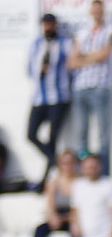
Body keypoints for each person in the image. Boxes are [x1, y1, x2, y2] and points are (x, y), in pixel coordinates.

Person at [26, 13, 73, 188]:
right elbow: (29, 69)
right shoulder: (36, 44)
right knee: (31, 134)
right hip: (39, 98)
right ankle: (55, 162)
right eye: (45, 24)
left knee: (52, 138)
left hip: (59, 97)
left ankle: (45, 179)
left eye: (51, 24)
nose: (48, 27)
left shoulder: (65, 44)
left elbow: (71, 67)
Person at [67, 0, 112, 165]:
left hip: (100, 86)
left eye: (99, 10)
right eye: (94, 9)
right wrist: (93, 58)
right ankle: (84, 168)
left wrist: (84, 58)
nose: (96, 13)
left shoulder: (110, 31)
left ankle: (104, 171)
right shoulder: (83, 33)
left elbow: (105, 55)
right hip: (81, 86)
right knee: (82, 132)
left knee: (103, 132)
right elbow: (72, 62)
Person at [33, 149, 79, 237]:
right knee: (40, 229)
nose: (68, 166)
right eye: (65, 163)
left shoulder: (80, 182)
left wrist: (69, 218)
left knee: (76, 232)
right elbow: (50, 205)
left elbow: (80, 208)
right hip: (59, 215)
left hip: (74, 217)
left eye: (70, 163)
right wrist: (54, 217)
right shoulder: (54, 182)